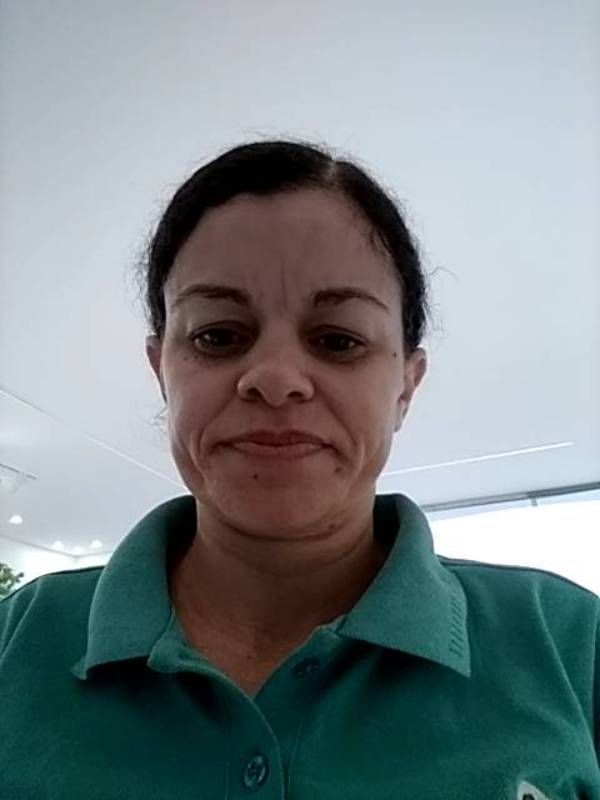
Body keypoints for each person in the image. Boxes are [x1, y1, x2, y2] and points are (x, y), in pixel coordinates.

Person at [1, 140, 598, 798]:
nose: (276, 377)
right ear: (161, 369)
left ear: (406, 384)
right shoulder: (16, 641)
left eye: (338, 340)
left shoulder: (570, 644)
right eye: (218, 336)